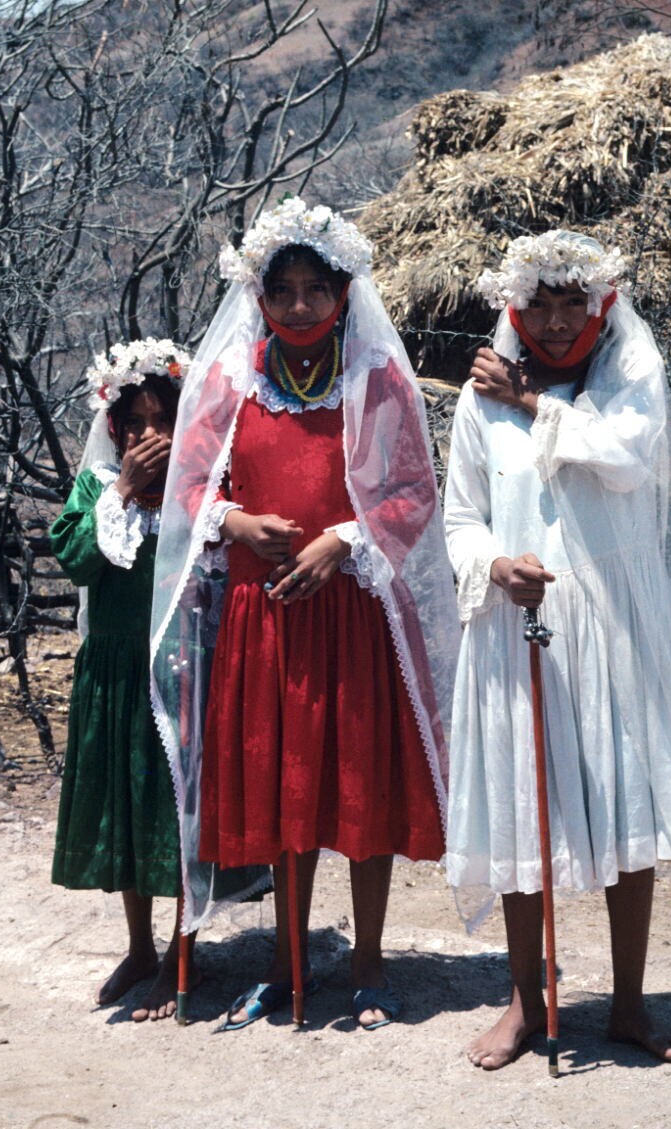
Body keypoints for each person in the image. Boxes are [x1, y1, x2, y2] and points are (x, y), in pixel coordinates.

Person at [148, 197, 459, 1032]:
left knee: (359, 789)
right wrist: (238, 523)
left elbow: (412, 492)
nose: (297, 306)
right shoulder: (230, 381)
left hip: (351, 615)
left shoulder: (376, 379)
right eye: (280, 290)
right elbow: (187, 488)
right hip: (265, 619)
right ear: (258, 295)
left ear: (343, 293)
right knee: (286, 791)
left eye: (314, 289)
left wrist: (342, 543)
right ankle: (286, 963)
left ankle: (368, 965)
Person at [442, 231, 671, 1069]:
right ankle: (525, 1001)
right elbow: (459, 518)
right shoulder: (478, 404)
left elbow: (625, 459)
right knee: (520, 807)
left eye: (574, 302)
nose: (557, 320)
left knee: (625, 807)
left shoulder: (626, 385)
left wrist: (533, 399)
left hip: (610, 625)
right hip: (516, 628)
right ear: (514, 310)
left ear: (602, 306)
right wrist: (496, 566)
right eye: (540, 304)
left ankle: (628, 1002)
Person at [49, 339, 192, 1022]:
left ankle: (183, 954)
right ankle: (140, 946)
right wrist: (125, 490)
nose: (148, 435)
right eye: (133, 423)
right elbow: (77, 559)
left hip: (181, 670)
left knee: (178, 810)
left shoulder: (199, 489)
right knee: (131, 811)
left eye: (162, 420)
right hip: (115, 672)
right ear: (113, 429)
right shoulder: (97, 490)